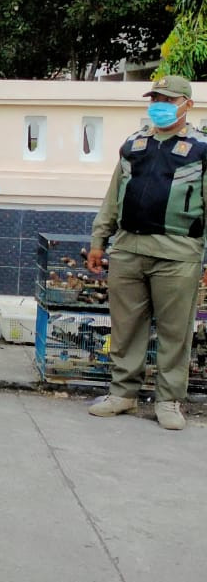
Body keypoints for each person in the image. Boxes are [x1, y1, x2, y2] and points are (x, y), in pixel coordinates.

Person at [86, 75, 206, 431]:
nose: (160, 105)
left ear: (187, 105)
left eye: (168, 99)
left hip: (178, 252)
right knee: (125, 327)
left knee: (174, 332)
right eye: (156, 98)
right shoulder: (134, 145)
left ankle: (168, 401)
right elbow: (112, 197)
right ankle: (123, 393)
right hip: (128, 249)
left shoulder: (201, 148)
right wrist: (99, 240)